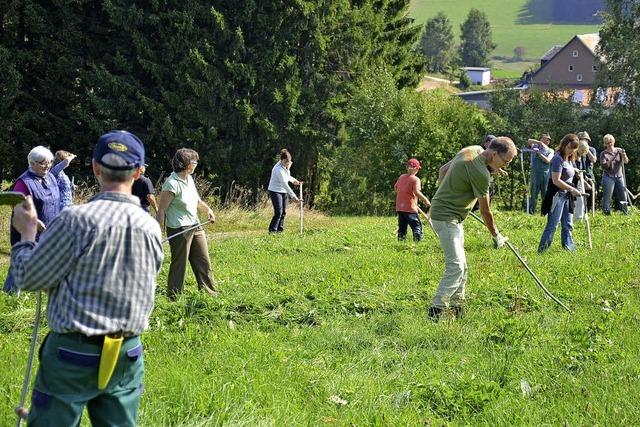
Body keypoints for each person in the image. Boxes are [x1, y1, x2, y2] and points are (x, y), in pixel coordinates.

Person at [10, 130, 164, 426]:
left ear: (95, 167)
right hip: (127, 352)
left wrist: (27, 233)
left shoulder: (75, 220)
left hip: (73, 352)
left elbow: (28, 277)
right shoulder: (150, 227)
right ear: (139, 172)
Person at [428, 137, 517, 320]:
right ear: (493, 154)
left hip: (449, 214)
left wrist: (448, 193)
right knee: (456, 267)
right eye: (505, 161)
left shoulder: (472, 149)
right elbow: (486, 211)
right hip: (446, 218)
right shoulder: (481, 174)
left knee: (463, 266)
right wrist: (496, 236)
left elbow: (443, 170)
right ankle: (435, 312)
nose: (506, 166)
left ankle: (457, 307)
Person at [2, 146, 69, 294]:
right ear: (32, 163)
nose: (48, 165)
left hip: (49, 228)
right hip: (27, 230)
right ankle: (10, 293)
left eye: (50, 162)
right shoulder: (23, 183)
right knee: (19, 263)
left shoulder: (50, 177)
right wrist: (35, 223)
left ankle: (46, 291)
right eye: (43, 163)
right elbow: (17, 208)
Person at [156, 148, 218, 299]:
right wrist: (157, 234)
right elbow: (161, 210)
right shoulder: (171, 184)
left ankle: (209, 294)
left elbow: (196, 200)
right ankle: (174, 297)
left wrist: (208, 209)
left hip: (196, 225)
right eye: (194, 161)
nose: (196, 163)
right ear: (185, 164)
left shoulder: (189, 179)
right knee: (180, 264)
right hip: (179, 228)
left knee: (203, 261)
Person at [538, 134, 582, 253]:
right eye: (570, 147)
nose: (571, 150)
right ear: (564, 144)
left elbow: (568, 172)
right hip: (557, 195)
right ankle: (542, 250)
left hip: (567, 196)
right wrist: (572, 189)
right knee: (553, 224)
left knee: (568, 224)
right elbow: (556, 180)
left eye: (574, 148)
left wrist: (576, 171)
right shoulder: (557, 158)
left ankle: (569, 249)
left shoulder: (569, 158)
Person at [394, 158, 431, 241]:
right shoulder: (415, 179)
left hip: (400, 208)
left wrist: (403, 195)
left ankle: (401, 241)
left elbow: (396, 188)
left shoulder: (401, 177)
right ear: (416, 169)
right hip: (410, 208)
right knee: (416, 226)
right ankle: (417, 242)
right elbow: (416, 192)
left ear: (407, 167)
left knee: (402, 227)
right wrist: (425, 200)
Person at [267, 149, 300, 233]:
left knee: (284, 212)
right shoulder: (278, 169)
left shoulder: (285, 166)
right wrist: (294, 196)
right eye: (286, 162)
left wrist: (293, 180)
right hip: (275, 191)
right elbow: (284, 183)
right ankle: (272, 231)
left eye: (288, 162)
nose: (287, 164)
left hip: (283, 191)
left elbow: (287, 176)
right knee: (278, 212)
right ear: (282, 160)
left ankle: (280, 230)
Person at [599, 134, 629, 215]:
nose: (610, 144)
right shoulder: (603, 153)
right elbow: (605, 166)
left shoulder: (619, 151)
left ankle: (625, 212)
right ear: (605, 144)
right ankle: (606, 213)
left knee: (623, 195)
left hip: (619, 176)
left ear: (613, 141)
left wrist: (624, 155)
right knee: (608, 197)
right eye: (607, 143)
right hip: (608, 177)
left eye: (611, 142)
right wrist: (614, 156)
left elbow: (626, 161)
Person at [527, 133, 554, 214]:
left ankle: (544, 213)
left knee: (545, 193)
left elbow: (548, 160)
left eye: (548, 140)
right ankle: (531, 212)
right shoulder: (535, 146)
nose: (547, 141)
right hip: (535, 173)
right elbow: (529, 141)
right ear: (541, 139)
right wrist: (539, 143)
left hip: (545, 174)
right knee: (533, 192)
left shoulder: (551, 150)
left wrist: (539, 153)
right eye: (545, 139)